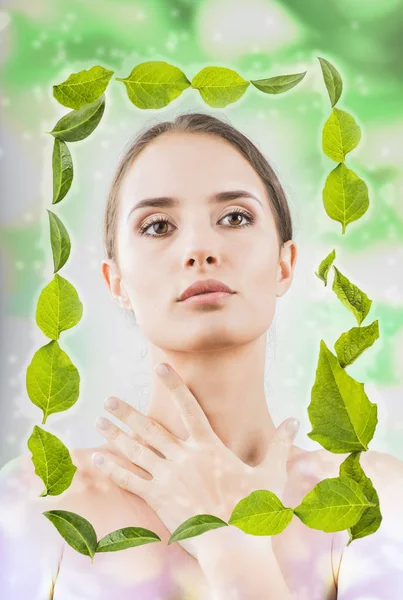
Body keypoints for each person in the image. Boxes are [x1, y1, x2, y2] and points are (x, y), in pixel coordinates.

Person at [1, 112, 401, 600]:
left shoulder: (367, 497)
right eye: (157, 225)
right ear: (116, 282)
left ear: (284, 264)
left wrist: (230, 544)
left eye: (234, 217)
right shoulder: (39, 500)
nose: (198, 248)